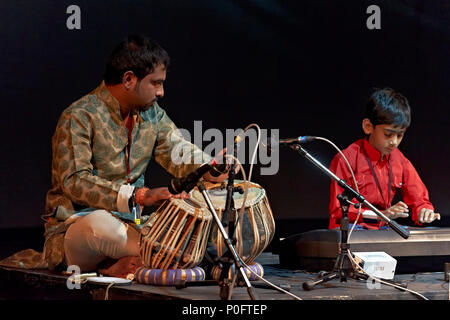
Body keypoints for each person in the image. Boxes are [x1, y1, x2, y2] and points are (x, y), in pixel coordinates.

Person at [39, 35, 228, 274]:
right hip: (77, 229)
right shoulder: (79, 116)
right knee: (99, 225)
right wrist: (138, 196)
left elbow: (178, 151)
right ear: (129, 79)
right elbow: (75, 181)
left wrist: (211, 167)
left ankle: (132, 261)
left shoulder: (152, 115)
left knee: (193, 222)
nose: (161, 92)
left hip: (134, 226)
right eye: (155, 83)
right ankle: (167, 257)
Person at [328, 88, 440, 230]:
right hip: (352, 229)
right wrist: (380, 215)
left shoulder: (399, 160)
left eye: (400, 135)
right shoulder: (346, 159)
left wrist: (424, 210)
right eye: (388, 134)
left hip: (382, 228)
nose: (394, 142)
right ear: (368, 127)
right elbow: (338, 210)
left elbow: (418, 198)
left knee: (430, 234)